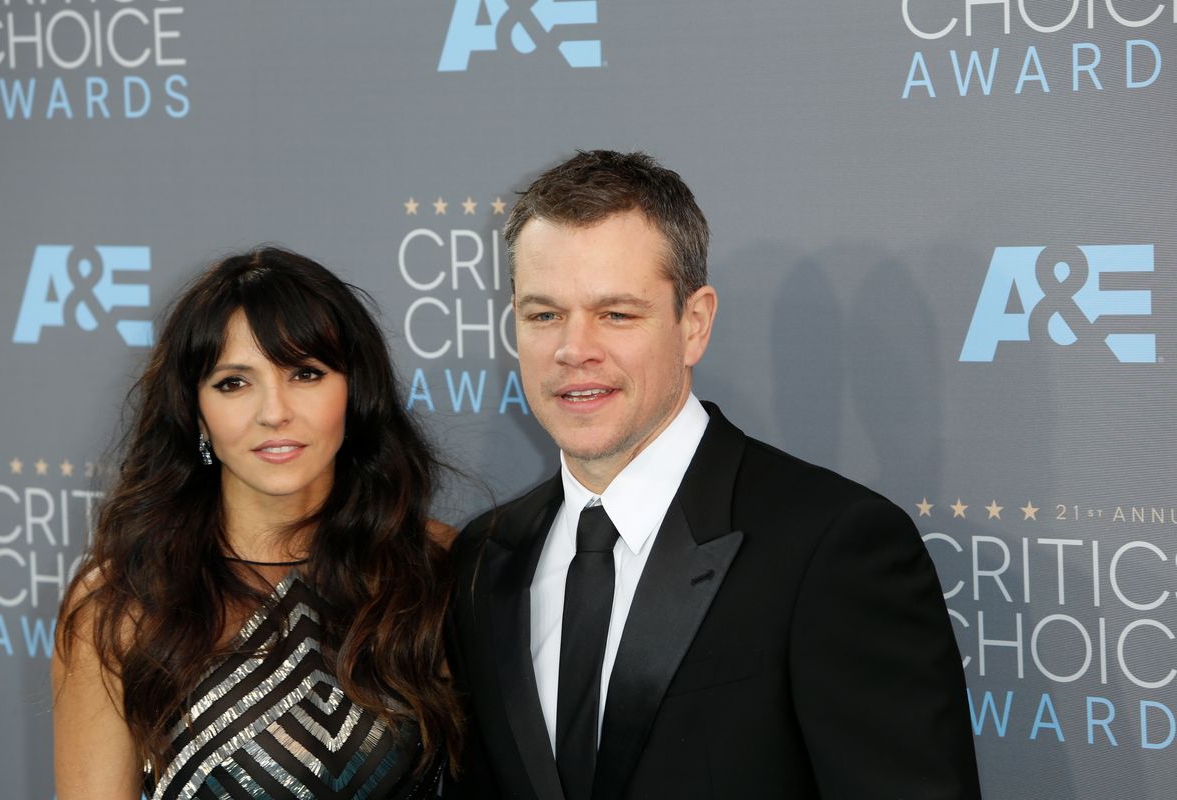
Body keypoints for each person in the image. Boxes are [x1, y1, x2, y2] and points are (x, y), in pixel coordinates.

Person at [447, 151, 982, 799]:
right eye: (543, 314)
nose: (573, 349)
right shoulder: (485, 558)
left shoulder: (830, 549)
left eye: (616, 314)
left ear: (694, 324)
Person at [52, 247, 462, 799]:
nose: (274, 411)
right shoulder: (121, 603)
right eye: (233, 383)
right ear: (196, 412)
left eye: (305, 373)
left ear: (355, 392)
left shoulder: (432, 567)